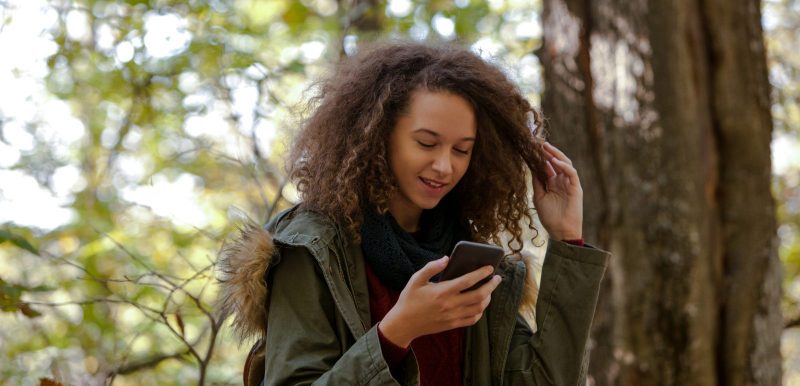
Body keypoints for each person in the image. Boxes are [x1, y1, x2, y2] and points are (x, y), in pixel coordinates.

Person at [218, 41, 610, 386]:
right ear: (377, 136)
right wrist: (396, 332)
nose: (444, 166)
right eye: (426, 143)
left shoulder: (474, 262)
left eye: (462, 150)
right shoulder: (313, 247)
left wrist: (567, 238)